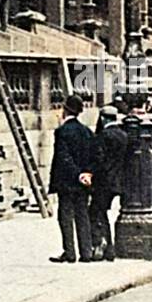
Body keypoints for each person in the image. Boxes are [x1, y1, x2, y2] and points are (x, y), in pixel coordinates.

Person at [48, 93, 95, 263]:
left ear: (64, 111)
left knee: (66, 216)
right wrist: (87, 173)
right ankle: (86, 252)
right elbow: (94, 156)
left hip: (67, 182)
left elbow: (64, 157)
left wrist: (77, 174)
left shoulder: (62, 132)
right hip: (84, 182)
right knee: (82, 215)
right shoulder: (87, 131)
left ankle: (69, 252)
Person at [89, 105, 127, 261]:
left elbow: (99, 160)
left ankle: (101, 242)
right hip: (117, 181)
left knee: (95, 212)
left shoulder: (103, 136)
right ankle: (109, 248)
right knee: (101, 211)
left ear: (103, 118)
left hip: (103, 182)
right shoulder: (123, 135)